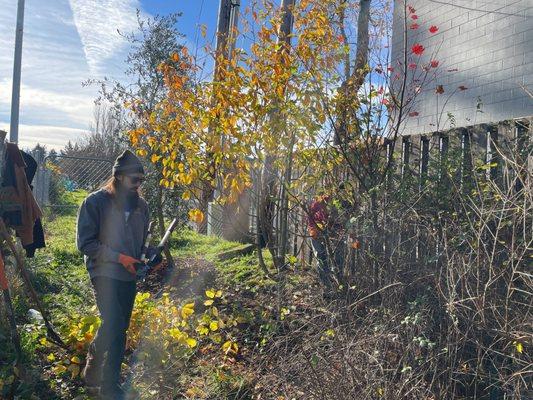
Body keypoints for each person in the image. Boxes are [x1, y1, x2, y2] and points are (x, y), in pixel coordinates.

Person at [76, 150, 149, 399]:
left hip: (128, 275)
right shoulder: (95, 203)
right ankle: (93, 365)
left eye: (141, 180)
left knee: (122, 328)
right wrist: (119, 257)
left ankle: (110, 385)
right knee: (114, 322)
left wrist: (146, 258)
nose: (137, 186)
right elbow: (86, 244)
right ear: (117, 177)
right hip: (103, 270)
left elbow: (141, 244)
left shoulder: (141, 207)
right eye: (133, 180)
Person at [307, 185, 348, 291]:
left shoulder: (342, 202)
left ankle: (338, 284)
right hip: (318, 231)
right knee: (321, 256)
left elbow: (344, 221)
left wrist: (338, 232)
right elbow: (310, 217)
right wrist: (314, 230)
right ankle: (326, 286)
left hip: (334, 233)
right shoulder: (319, 201)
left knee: (338, 257)